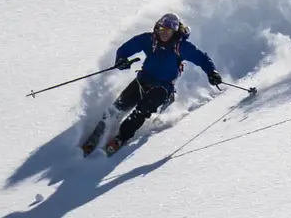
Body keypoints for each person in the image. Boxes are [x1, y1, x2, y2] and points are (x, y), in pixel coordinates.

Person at [89, 12, 222, 155]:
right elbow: (126, 48)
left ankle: (122, 137)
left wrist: (212, 72)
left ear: (174, 31)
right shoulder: (149, 40)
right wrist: (121, 60)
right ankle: (96, 136)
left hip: (163, 87)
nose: (164, 33)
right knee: (117, 107)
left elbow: (201, 58)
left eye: (168, 31)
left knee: (142, 110)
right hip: (143, 80)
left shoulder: (181, 46)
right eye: (162, 29)